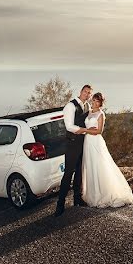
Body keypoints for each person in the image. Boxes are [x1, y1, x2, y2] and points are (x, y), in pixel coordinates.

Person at [80, 91, 133, 208]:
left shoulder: (101, 114)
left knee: (99, 165)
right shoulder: (89, 112)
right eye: (93, 100)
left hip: (96, 142)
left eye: (97, 101)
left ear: (101, 103)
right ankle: (93, 194)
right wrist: (87, 130)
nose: (94, 102)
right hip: (87, 142)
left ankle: (104, 194)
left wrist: (85, 130)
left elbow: (99, 131)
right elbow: (88, 127)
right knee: (90, 166)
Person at [53, 84, 92, 216]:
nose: (87, 94)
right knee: (68, 173)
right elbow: (69, 126)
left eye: (89, 93)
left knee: (80, 171)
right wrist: (86, 131)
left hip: (83, 143)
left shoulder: (87, 106)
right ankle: (60, 203)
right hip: (72, 143)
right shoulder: (70, 106)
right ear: (80, 91)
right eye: (85, 92)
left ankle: (77, 198)